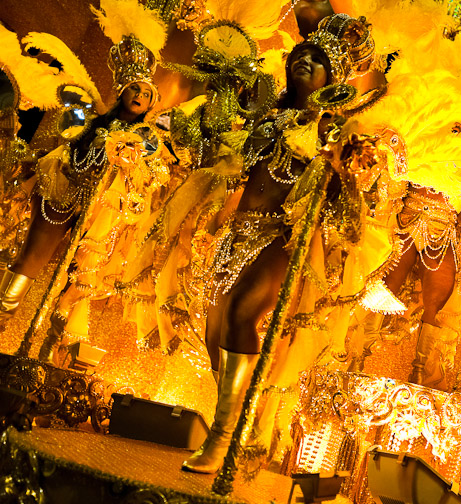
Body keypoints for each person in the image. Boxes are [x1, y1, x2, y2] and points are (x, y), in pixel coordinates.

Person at [182, 14, 378, 473]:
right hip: (240, 230)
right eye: (302, 54)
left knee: (242, 312)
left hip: (283, 236)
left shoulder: (337, 130)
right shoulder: (265, 114)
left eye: (319, 60)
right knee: (214, 325)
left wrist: (341, 163)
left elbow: (349, 205)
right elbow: (224, 158)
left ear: (335, 77)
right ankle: (233, 417)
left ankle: (222, 437)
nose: (305, 62)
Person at [0, 0, 170, 365]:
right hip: (65, 192)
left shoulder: (150, 135)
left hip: (106, 218)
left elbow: (150, 172)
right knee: (33, 256)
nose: (139, 96)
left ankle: (57, 351)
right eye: (134, 90)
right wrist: (97, 144)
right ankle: (3, 314)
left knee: (81, 281)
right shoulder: (92, 121)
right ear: (122, 91)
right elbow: (74, 143)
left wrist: (127, 156)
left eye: (146, 93)